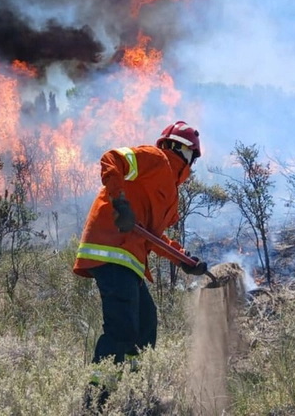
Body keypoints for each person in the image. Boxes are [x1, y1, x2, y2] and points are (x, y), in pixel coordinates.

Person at [73, 121, 209, 411]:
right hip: (111, 250)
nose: (192, 163)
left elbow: (154, 238)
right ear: (182, 150)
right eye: (192, 156)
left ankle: (135, 393)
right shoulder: (156, 160)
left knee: (146, 325)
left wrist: (185, 260)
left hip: (130, 261)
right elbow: (113, 159)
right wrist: (120, 203)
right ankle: (94, 403)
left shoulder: (171, 194)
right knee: (122, 331)